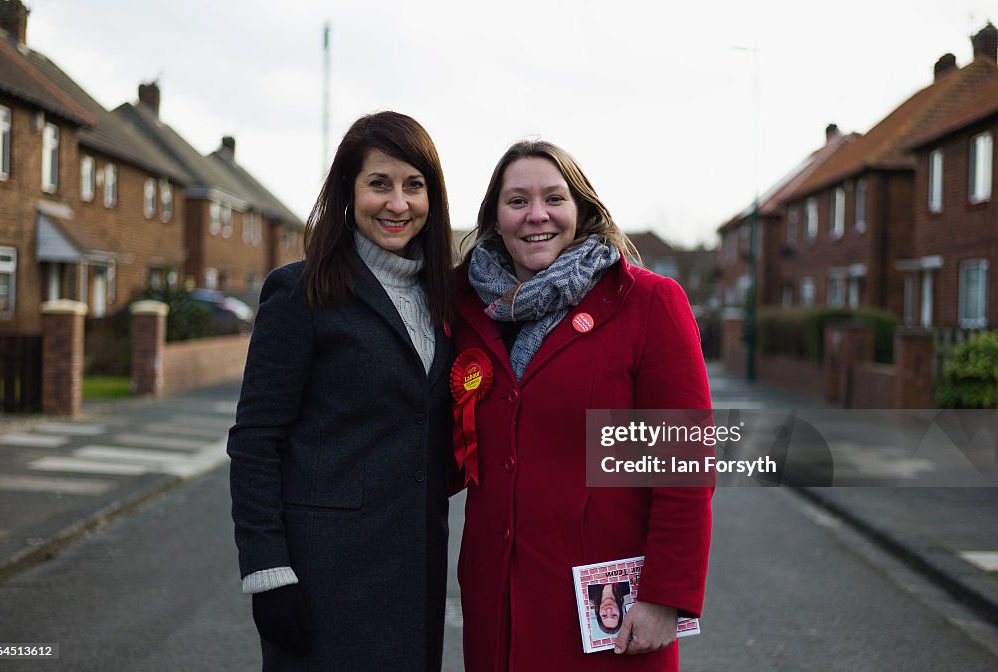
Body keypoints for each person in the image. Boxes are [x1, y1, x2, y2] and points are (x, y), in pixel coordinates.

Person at [451, 140, 713, 671]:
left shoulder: (647, 302)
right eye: (517, 201)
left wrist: (666, 596)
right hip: (496, 604)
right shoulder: (463, 305)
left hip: (611, 615)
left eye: (554, 198)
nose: (536, 215)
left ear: (582, 209)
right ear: (495, 218)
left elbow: (685, 464)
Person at [228, 111, 455, 671]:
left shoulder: (445, 299)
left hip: (415, 573)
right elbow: (255, 439)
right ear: (349, 194)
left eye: (413, 186)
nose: (398, 203)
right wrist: (267, 571)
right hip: (322, 577)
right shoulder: (301, 292)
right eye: (379, 184)